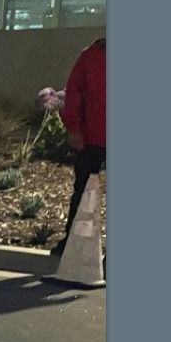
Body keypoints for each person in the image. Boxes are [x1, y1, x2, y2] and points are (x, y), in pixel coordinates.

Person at [55, 36, 106, 254]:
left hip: (92, 136)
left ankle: (71, 243)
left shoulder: (91, 55)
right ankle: (72, 241)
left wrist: (75, 128)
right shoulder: (90, 56)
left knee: (82, 191)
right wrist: (74, 128)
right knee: (83, 191)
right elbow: (74, 90)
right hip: (91, 136)